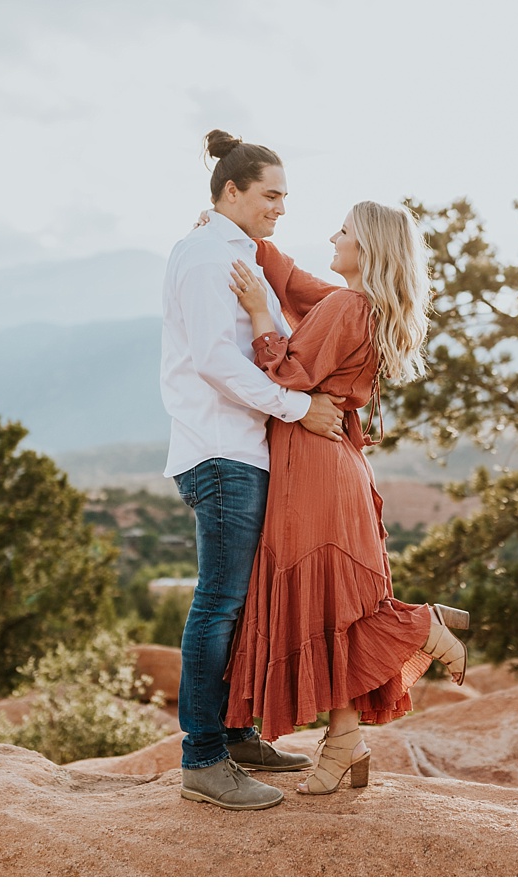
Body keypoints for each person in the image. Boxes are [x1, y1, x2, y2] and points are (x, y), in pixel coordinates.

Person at [223, 200, 470, 797]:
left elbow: (287, 376)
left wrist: (258, 312)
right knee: (336, 616)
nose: (333, 236)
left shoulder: (345, 305)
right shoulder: (358, 303)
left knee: (333, 612)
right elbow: (294, 280)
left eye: (345, 231)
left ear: (367, 249)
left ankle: (424, 627)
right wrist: (240, 234)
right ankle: (343, 748)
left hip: (316, 475)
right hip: (335, 469)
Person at [161, 129, 348, 812]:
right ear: (231, 191)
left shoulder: (232, 249)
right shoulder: (207, 255)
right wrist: (298, 407)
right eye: (271, 195)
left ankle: (237, 734)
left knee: (242, 602)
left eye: (285, 197)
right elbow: (215, 358)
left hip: (244, 449)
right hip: (221, 451)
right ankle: (203, 758)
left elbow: (298, 292)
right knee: (219, 602)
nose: (281, 207)